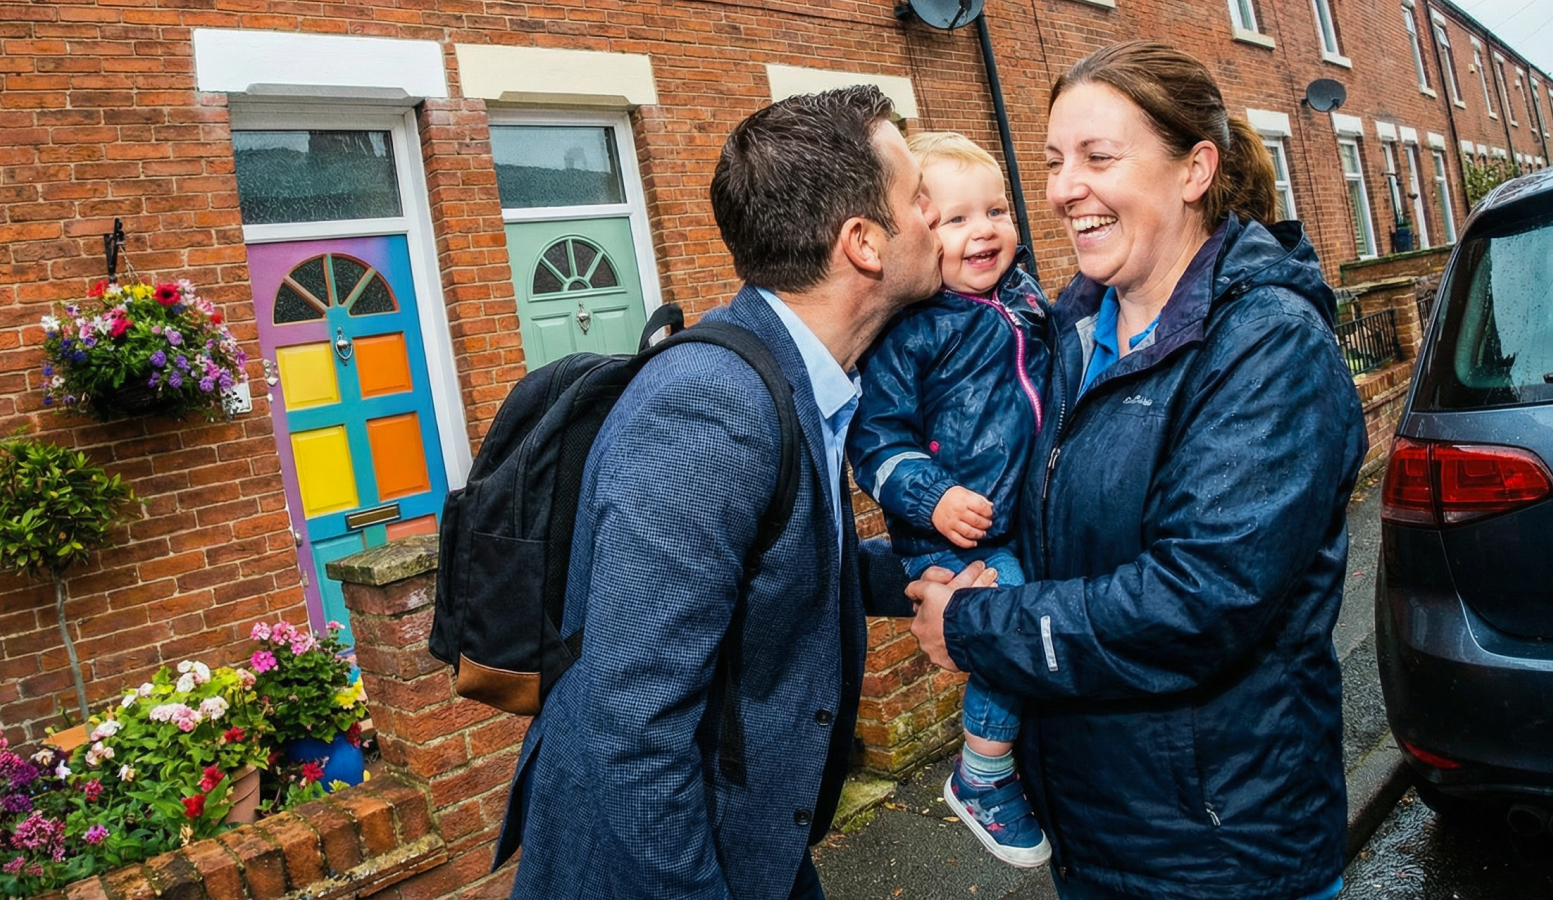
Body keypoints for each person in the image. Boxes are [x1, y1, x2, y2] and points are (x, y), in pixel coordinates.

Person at [906, 41, 1367, 900]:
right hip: (1094, 839)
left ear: (1195, 170)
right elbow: (1029, 525)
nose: (1061, 188)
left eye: (1097, 157)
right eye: (1051, 162)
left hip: (1219, 854)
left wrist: (973, 624)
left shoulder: (1266, 345)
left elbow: (1197, 601)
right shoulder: (1062, 333)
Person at [497, 85, 944, 900]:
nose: (935, 215)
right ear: (864, 244)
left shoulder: (796, 371)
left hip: (750, 841)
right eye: (918, 198)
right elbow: (633, 723)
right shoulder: (710, 410)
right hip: (660, 866)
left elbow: (773, 565)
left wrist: (911, 574)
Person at [847, 131, 1052, 868]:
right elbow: (874, 443)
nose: (985, 230)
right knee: (1008, 609)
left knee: (1043, 608)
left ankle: (1021, 756)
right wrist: (932, 498)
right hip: (953, 529)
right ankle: (982, 773)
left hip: (1015, 515)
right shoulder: (911, 331)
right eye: (958, 219)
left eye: (996, 210)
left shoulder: (1025, 299)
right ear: (921, 234)